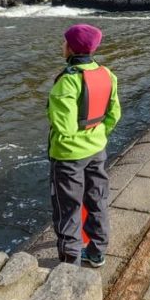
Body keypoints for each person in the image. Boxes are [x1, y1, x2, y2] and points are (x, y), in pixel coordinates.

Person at [47, 24, 121, 267]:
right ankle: (97, 252)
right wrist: (98, 134)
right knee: (97, 200)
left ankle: (70, 266)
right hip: (97, 150)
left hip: (68, 157)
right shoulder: (107, 74)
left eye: (64, 42)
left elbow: (64, 128)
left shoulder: (67, 82)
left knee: (68, 210)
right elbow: (114, 115)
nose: (62, 45)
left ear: (70, 48)